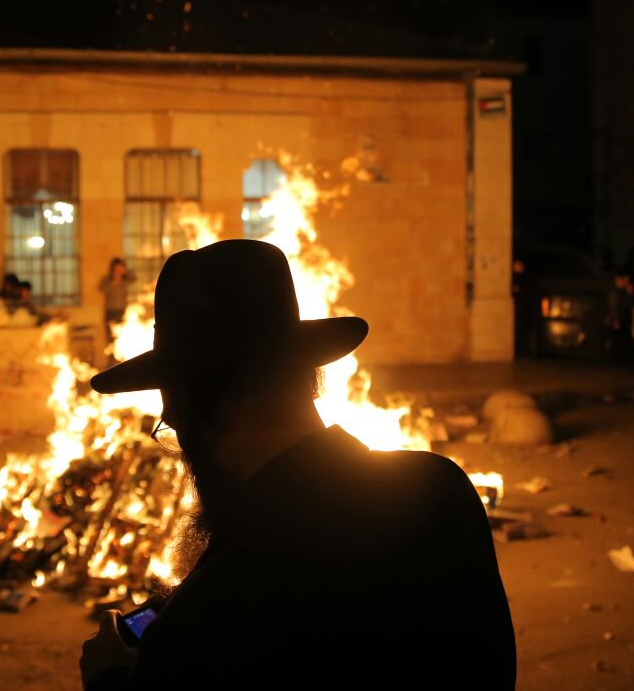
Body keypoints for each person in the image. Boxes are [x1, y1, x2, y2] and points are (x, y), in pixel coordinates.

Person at [80, 240, 514, 689]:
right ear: (308, 375)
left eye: (170, 426)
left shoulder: (208, 616)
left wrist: (112, 679)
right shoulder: (441, 488)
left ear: (188, 412)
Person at [98, 258, 136, 361]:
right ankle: (112, 362)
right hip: (110, 312)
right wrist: (114, 280)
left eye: (121, 267)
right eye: (117, 267)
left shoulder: (125, 279)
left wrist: (125, 272)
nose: (119, 269)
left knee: (123, 339)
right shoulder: (107, 280)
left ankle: (123, 361)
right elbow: (102, 289)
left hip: (122, 312)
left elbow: (134, 278)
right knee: (111, 340)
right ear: (113, 268)